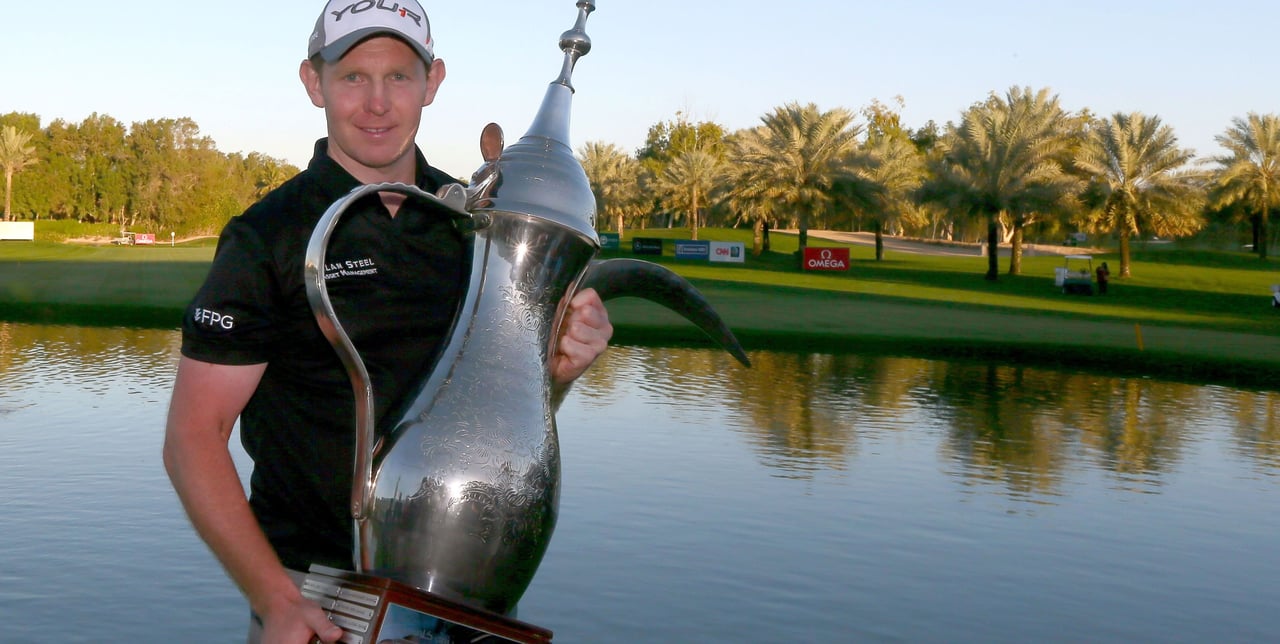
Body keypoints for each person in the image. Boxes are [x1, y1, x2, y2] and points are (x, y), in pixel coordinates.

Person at [161, 3, 613, 643]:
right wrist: (274, 598)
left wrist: (555, 375)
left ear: (433, 82)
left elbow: (492, 421)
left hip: (461, 601)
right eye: (353, 77)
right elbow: (193, 436)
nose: (377, 103)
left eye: (399, 76)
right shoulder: (268, 235)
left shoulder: (479, 228)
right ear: (314, 82)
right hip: (313, 602)